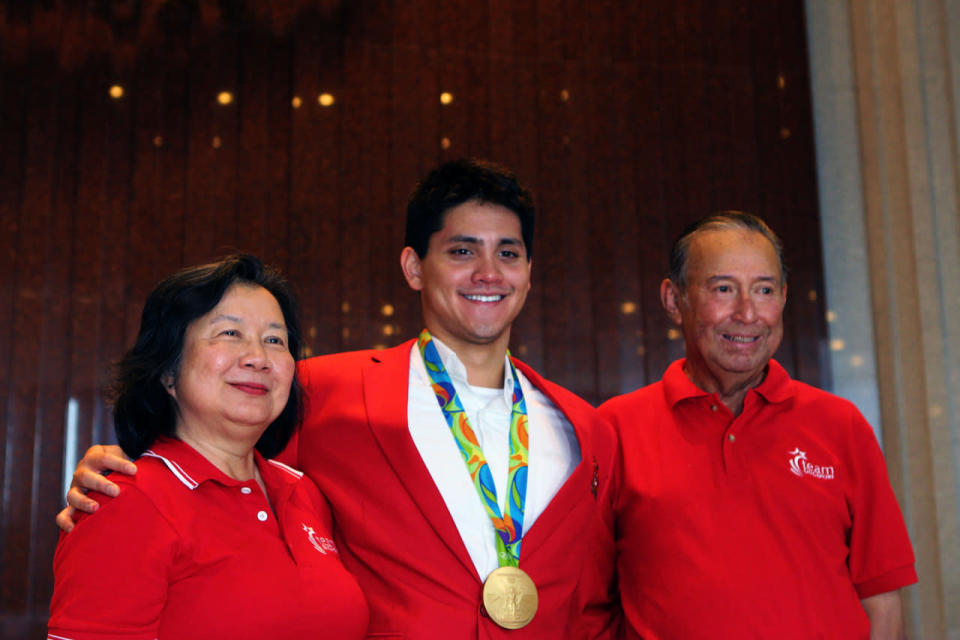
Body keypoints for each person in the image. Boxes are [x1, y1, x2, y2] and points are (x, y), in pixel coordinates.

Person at [58, 160, 620, 639]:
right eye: (462, 249)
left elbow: (591, 601)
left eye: (509, 253)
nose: (488, 272)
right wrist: (118, 473)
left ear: (529, 273)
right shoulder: (319, 390)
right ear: (413, 267)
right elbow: (209, 447)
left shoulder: (582, 425)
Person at [600, 212, 917, 639]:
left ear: (784, 298)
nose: (747, 313)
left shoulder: (841, 426)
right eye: (723, 289)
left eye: (764, 290)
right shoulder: (613, 430)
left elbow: (880, 598)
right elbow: (587, 601)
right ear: (674, 300)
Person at [48, 255, 368, 639]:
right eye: (230, 334)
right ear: (168, 371)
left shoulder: (304, 493)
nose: (258, 358)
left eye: (274, 340)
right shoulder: (124, 500)